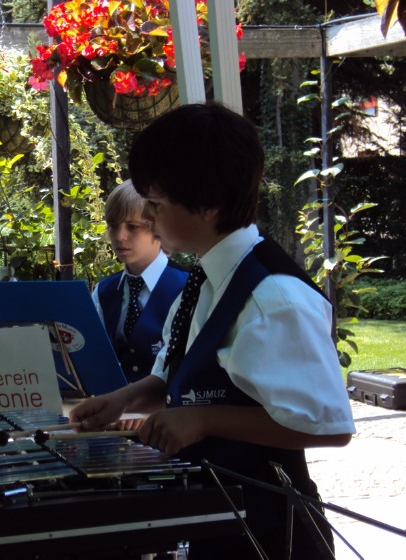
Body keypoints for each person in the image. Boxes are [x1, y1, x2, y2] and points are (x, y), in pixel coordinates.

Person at [70, 103, 356, 559]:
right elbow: (179, 375)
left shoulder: (273, 299)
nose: (150, 218)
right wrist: (122, 400)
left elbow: (327, 427)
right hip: (222, 521)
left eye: (157, 205)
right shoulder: (205, 279)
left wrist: (202, 420)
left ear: (207, 205)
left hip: (272, 535)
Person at [92, 180, 188, 384]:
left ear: (158, 228)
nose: (120, 236)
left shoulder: (187, 288)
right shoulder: (104, 291)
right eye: (113, 226)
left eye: (132, 227)